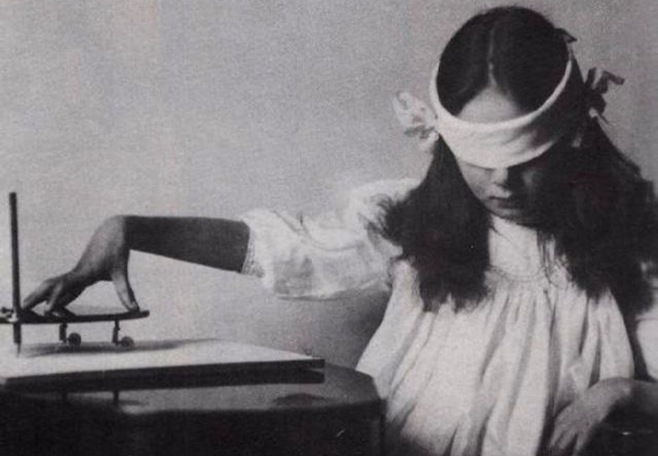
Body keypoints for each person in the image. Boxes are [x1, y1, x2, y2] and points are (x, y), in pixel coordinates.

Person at [22, 6, 658, 456]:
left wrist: (622, 391)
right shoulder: (414, 224)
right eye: (478, 158)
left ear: (573, 136)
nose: (502, 182)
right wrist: (134, 229)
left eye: (525, 159)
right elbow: (293, 249)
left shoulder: (629, 242)